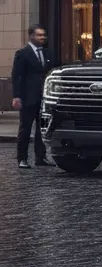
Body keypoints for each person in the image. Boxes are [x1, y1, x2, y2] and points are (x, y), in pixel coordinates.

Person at [12, 24, 55, 169]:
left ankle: (40, 157)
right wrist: (16, 96)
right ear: (31, 36)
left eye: (44, 35)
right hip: (28, 97)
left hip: (43, 97)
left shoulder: (47, 53)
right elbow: (17, 76)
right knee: (25, 129)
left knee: (41, 129)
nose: (42, 38)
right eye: (39, 35)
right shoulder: (23, 53)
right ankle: (22, 158)